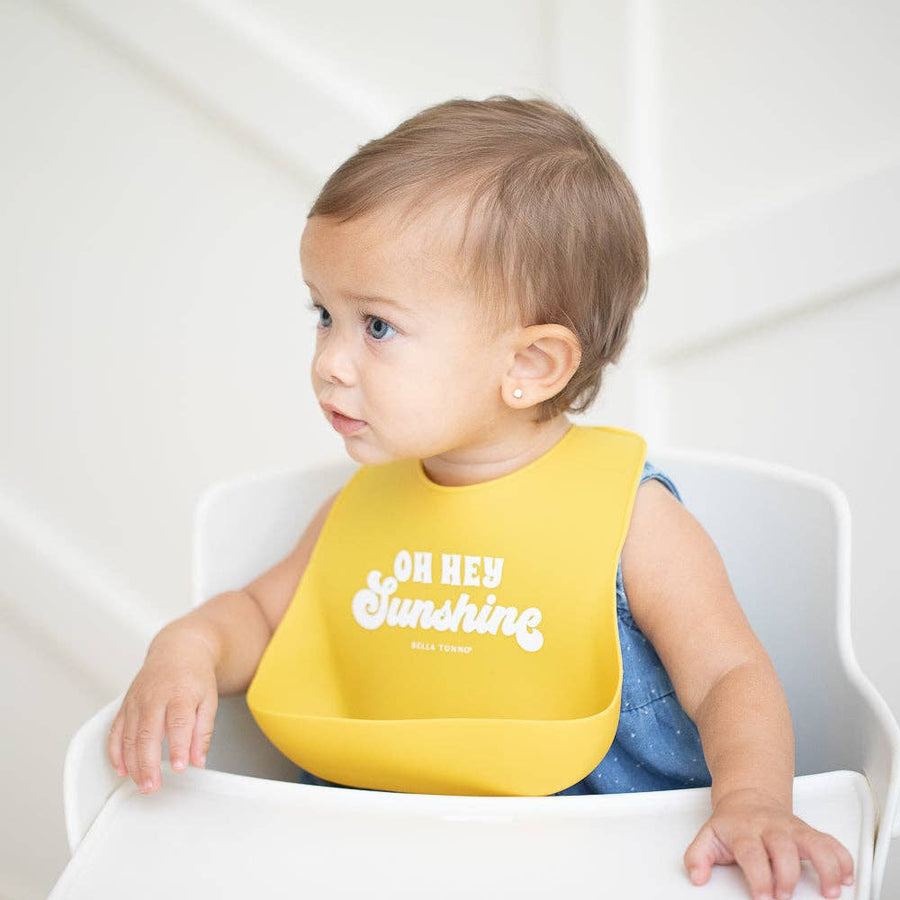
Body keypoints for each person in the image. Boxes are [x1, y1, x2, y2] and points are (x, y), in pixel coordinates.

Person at [107, 94, 854, 900]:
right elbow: (258, 617)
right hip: (382, 854)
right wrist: (185, 648)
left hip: (605, 863)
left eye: (377, 327)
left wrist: (752, 802)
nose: (328, 359)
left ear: (530, 365)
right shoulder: (361, 505)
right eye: (324, 314)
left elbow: (729, 677)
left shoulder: (634, 522)